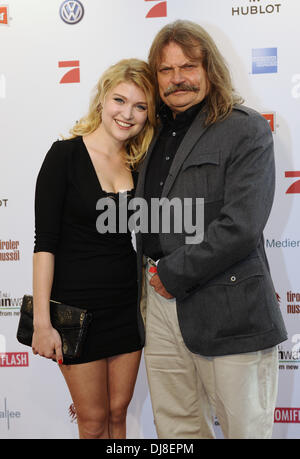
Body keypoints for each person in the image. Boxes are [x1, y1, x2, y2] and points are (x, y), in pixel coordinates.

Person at [135, 20, 287, 439]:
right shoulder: (151, 134)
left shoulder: (245, 128)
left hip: (228, 304)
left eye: (188, 66)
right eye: (165, 70)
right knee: (176, 431)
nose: (177, 78)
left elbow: (241, 226)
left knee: (245, 431)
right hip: (159, 307)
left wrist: (170, 274)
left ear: (210, 69)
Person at [32, 58, 156, 439]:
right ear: (102, 99)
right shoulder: (63, 156)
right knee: (93, 420)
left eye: (140, 106)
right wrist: (42, 322)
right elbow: (44, 244)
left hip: (125, 306)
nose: (127, 114)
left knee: (118, 415)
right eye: (120, 100)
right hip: (75, 311)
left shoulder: (139, 163)